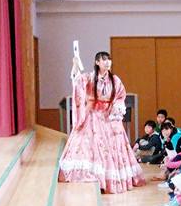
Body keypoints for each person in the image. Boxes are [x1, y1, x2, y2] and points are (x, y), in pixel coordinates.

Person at [58, 51, 145, 193]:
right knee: (90, 145)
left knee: (113, 147)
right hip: (93, 116)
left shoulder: (115, 80)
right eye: (104, 60)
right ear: (97, 62)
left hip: (110, 117)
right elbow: (77, 82)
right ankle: (95, 176)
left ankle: (110, 178)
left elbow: (120, 95)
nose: (107, 62)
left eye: (109, 59)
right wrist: (75, 66)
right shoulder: (90, 78)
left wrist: (115, 109)